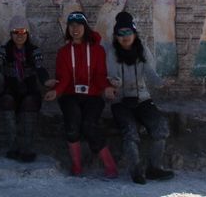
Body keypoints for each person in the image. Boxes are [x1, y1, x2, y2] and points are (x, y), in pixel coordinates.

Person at [44, 11, 118, 178]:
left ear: (85, 27)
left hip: (92, 95)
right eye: (71, 25)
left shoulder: (98, 50)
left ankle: (109, 164)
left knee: (89, 125)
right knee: (72, 123)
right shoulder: (63, 52)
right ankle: (77, 165)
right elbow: (64, 77)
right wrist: (56, 91)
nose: (75, 28)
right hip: (70, 94)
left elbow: (100, 75)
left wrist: (106, 87)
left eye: (78, 25)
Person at [105, 11, 175, 184]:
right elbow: (108, 76)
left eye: (128, 32)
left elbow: (150, 72)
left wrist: (161, 82)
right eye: (120, 34)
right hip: (120, 101)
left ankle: (154, 167)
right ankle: (136, 171)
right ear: (116, 36)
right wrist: (112, 85)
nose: (125, 37)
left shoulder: (142, 50)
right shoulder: (110, 53)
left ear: (134, 33)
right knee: (130, 132)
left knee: (160, 128)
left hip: (142, 98)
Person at [0, 15, 52, 162]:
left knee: (30, 102)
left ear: (27, 33)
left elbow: (40, 67)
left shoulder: (34, 51)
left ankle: (27, 147)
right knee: (7, 101)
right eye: (15, 32)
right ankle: (13, 146)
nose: (19, 35)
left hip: (30, 91)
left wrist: (46, 81)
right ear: (11, 34)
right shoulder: (4, 50)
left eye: (22, 31)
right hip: (11, 90)